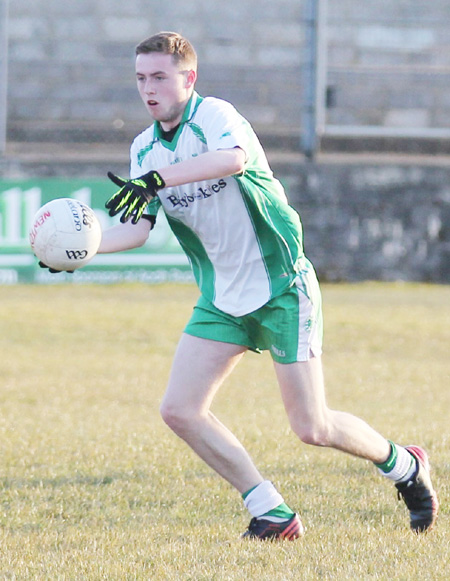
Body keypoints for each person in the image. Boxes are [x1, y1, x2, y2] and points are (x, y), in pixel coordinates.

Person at [95, 31, 439, 539]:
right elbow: (137, 228)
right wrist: (86, 248)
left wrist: (158, 179)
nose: (149, 89)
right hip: (222, 298)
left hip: (281, 286)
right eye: (142, 78)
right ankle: (270, 511)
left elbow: (232, 159)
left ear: (188, 79)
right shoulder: (143, 148)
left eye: (160, 78)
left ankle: (404, 464)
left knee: (312, 428)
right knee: (180, 410)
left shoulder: (214, 116)